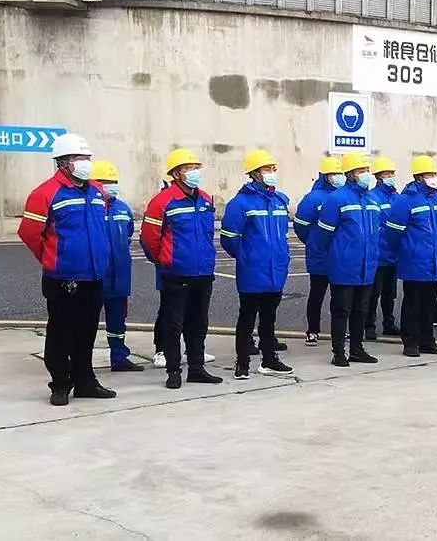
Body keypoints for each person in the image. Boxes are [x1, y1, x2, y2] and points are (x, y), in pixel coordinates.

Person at [18, 133, 116, 406]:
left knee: (86, 332)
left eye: (87, 158)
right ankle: (60, 384)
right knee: (60, 334)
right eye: (78, 158)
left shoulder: (97, 191)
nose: (85, 163)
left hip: (93, 276)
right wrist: (52, 259)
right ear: (62, 162)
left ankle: (85, 382)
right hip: (62, 278)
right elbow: (29, 233)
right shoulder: (44, 193)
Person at [141, 148, 223, 388]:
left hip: (203, 272)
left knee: (199, 324)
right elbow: (149, 238)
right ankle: (173, 371)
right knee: (173, 324)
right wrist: (164, 261)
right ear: (176, 173)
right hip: (176, 273)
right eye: (189, 168)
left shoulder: (205, 199)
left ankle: (197, 368)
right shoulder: (162, 202)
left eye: (196, 168)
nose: (195, 172)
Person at [221, 150, 294, 380]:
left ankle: (269, 359)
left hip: (276, 269)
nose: (271, 173)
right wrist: (246, 256)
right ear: (254, 173)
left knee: (269, 317)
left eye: (273, 169)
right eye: (266, 169)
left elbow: (282, 235)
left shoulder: (279, 200)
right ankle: (242, 363)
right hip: (253, 270)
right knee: (247, 317)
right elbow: (229, 238)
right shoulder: (240, 203)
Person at [318, 152, 381, 367]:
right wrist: (337, 254)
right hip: (344, 266)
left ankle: (357, 349)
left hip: (367, 266)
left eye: (367, 170)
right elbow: (323, 235)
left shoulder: (372, 199)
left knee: (361, 311)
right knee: (341, 310)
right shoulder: (337, 199)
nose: (366, 174)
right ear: (350, 174)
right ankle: (338, 352)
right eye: (361, 170)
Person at [384, 156, 437, 357]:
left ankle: (427, 341)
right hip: (414, 260)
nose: (433, 177)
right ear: (419, 177)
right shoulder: (406, 200)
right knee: (412, 303)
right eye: (429, 174)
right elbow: (393, 232)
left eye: (433, 173)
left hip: (433, 260)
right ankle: (410, 342)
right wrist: (406, 250)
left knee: (429, 303)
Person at [90, 160, 144, 372]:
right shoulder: (90, 207)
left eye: (113, 182)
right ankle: (80, 361)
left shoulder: (123, 208)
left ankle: (119, 357)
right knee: (86, 321)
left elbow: (128, 234)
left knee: (118, 320)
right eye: (105, 182)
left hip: (119, 275)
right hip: (94, 276)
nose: (111, 186)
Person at [294, 156, 344, 347]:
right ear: (325, 176)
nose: (338, 177)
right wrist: (313, 242)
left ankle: (339, 331)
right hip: (320, 255)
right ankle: (312, 330)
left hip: (340, 254)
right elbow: (300, 225)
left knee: (340, 296)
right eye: (334, 174)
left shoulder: (344, 195)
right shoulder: (313, 198)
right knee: (317, 294)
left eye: (340, 173)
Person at [366, 156, 400, 340]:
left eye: (392, 173)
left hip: (393, 254)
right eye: (387, 174)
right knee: (373, 294)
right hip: (378, 254)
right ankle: (369, 326)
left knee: (389, 294)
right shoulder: (373, 197)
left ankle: (389, 323)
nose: (390, 176)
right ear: (378, 176)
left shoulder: (396, 197)